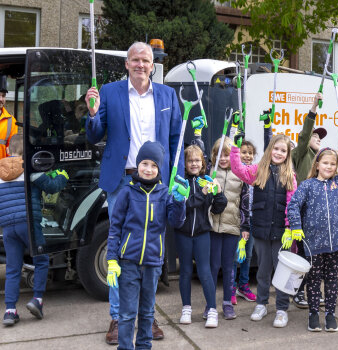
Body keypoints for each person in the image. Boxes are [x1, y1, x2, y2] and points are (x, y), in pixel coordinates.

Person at [86, 41, 183, 343]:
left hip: (157, 187)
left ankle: (147, 316)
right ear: (126, 64)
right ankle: (118, 317)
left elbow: (176, 139)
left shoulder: (167, 95)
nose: (141, 64)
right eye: (135, 60)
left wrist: (177, 179)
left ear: (153, 65)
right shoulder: (111, 91)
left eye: (146, 60)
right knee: (120, 252)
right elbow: (95, 133)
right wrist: (91, 113)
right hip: (122, 183)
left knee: (152, 253)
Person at [105, 141, 187, 349]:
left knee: (148, 312)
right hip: (129, 262)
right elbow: (115, 228)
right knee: (127, 314)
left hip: (152, 263)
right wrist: (112, 260)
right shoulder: (127, 192)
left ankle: (144, 346)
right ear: (138, 165)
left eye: (153, 165)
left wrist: (179, 202)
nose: (148, 169)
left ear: (159, 169)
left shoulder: (164, 194)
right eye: (144, 163)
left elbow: (176, 221)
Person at [0, 133, 68, 327]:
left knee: (13, 268)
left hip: (8, 227)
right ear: (28, 152)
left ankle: (10, 311)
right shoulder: (31, 168)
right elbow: (51, 187)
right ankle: (37, 300)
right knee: (41, 260)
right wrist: (63, 175)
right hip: (28, 223)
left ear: (8, 150)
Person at [287, 117, 338, 332]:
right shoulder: (307, 185)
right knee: (314, 279)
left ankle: (330, 314)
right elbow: (293, 207)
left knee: (331, 279)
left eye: (333, 163)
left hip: (336, 243)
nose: (329, 166)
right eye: (325, 163)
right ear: (317, 164)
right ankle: (313, 314)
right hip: (312, 244)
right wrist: (296, 227)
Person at [230, 133, 297, 328]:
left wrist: (289, 228)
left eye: (283, 150)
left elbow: (291, 203)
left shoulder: (289, 175)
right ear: (270, 150)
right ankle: (261, 303)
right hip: (260, 230)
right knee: (263, 270)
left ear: (287, 154)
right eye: (275, 149)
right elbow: (238, 169)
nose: (278, 153)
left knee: (282, 272)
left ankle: (282, 308)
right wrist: (235, 148)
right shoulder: (258, 170)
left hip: (281, 233)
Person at [176, 144, 227, 328]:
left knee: (205, 272)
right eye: (190, 161)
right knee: (185, 272)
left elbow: (218, 208)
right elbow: (184, 205)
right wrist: (202, 194)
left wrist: (218, 193)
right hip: (183, 234)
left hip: (202, 234)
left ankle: (212, 310)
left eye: (197, 160)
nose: (194, 164)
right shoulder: (180, 182)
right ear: (185, 163)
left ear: (203, 163)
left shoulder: (206, 181)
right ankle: (186, 308)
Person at [287, 92, 326, 309]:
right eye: (315, 136)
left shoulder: (321, 160)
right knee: (302, 253)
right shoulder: (301, 154)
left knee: (315, 254)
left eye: (321, 137)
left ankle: (312, 290)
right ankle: (297, 291)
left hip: (317, 212)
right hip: (301, 211)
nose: (318, 138)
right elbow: (304, 136)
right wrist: (313, 109)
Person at [208, 137, 249, 320]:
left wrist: (245, 225)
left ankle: (226, 302)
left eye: (226, 154)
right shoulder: (210, 172)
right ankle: (210, 305)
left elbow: (246, 203)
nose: (223, 158)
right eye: (219, 155)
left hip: (232, 227)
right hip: (212, 227)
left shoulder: (240, 175)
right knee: (212, 266)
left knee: (228, 267)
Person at [233, 140, 258, 304]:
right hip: (238, 221)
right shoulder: (236, 172)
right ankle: (231, 286)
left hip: (253, 220)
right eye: (244, 152)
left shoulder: (255, 172)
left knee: (248, 255)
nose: (247, 156)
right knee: (237, 255)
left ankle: (243, 285)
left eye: (250, 153)